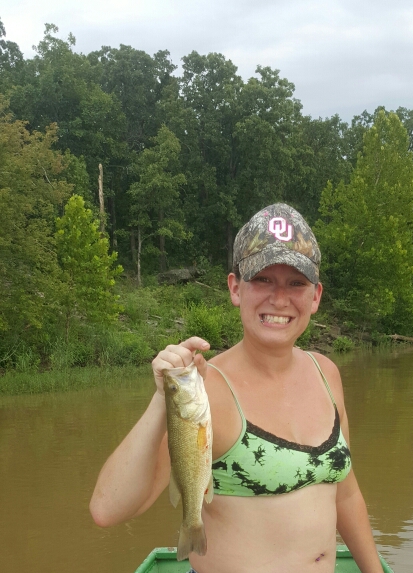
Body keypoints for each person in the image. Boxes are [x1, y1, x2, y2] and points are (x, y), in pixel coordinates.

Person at [90, 203, 383, 573]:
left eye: (296, 283)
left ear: (316, 296)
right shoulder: (203, 390)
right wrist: (161, 401)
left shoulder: (326, 373)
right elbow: (107, 508)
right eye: (263, 279)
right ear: (234, 288)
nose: (279, 298)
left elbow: (346, 492)